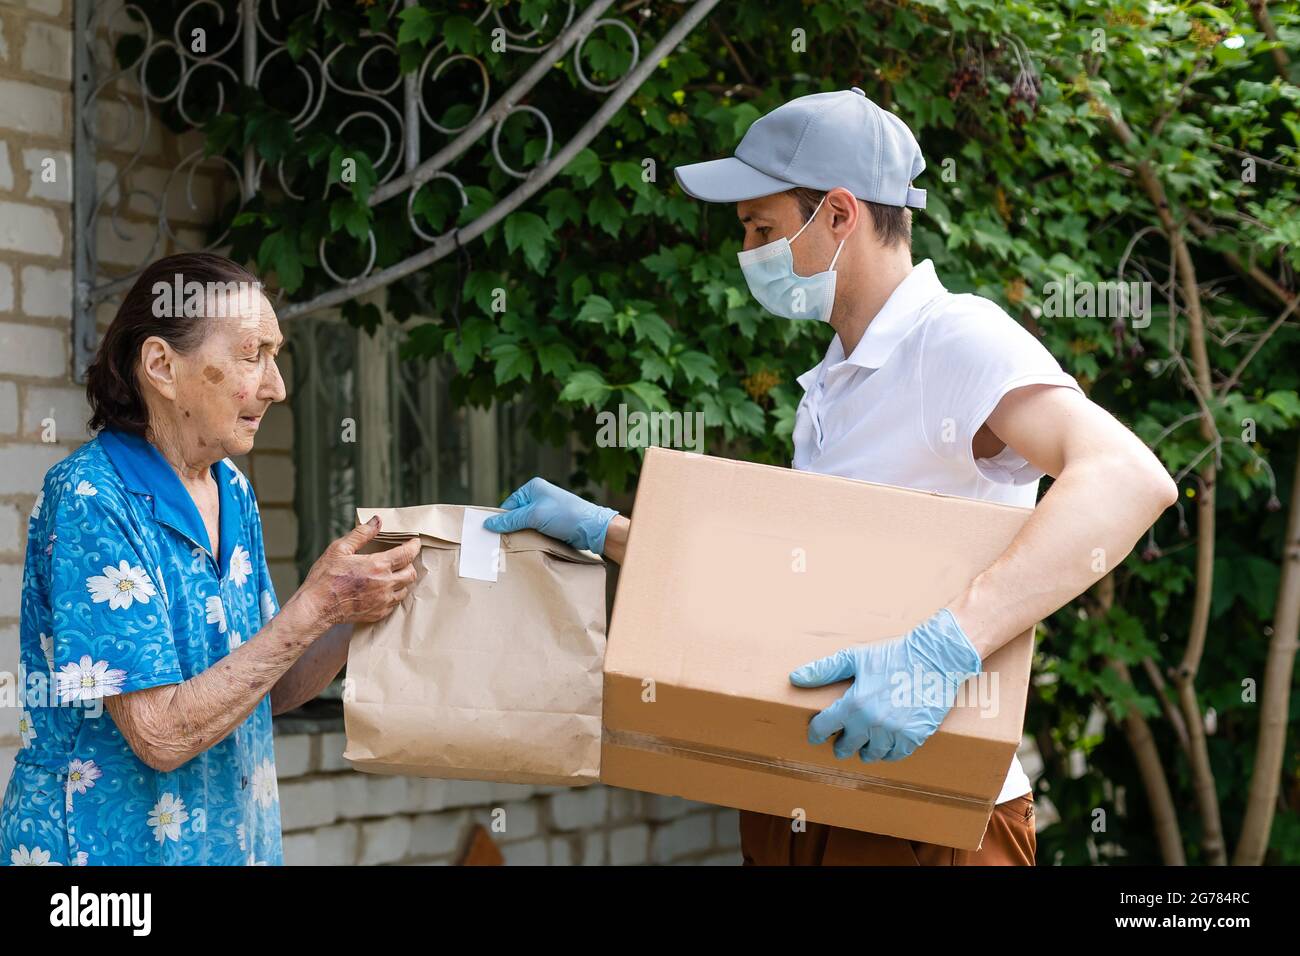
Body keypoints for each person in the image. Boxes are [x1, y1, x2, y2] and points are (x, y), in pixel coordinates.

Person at [485, 88, 1177, 865]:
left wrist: (942, 651)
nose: (746, 250)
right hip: (803, 794)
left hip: (924, 815)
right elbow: (803, 593)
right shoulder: (834, 384)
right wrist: (606, 534)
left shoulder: (954, 339)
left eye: (761, 228)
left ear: (839, 215)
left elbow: (1128, 478)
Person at [1, 253, 420, 865]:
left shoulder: (231, 486)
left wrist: (353, 609)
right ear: (162, 366)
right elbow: (162, 735)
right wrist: (313, 605)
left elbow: (265, 687)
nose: (277, 386)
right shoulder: (90, 497)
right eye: (254, 355)